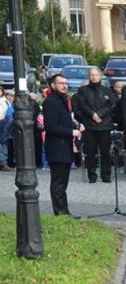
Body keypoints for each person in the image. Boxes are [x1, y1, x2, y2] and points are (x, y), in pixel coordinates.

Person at [42, 73, 79, 216]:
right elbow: (51, 126)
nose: (65, 86)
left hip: (65, 147)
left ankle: (65, 211)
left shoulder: (62, 100)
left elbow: (63, 121)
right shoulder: (51, 102)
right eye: (61, 83)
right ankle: (60, 213)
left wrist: (76, 125)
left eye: (66, 83)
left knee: (63, 183)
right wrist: (71, 132)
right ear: (53, 85)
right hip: (57, 148)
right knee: (58, 183)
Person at [72, 66, 116, 184]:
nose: (94, 77)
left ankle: (106, 175)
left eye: (96, 75)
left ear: (100, 76)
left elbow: (111, 105)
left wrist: (100, 114)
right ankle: (92, 175)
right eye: (91, 75)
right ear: (89, 76)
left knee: (105, 152)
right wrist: (92, 114)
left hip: (104, 125)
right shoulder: (83, 90)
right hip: (89, 125)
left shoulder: (107, 90)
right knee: (90, 152)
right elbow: (82, 104)